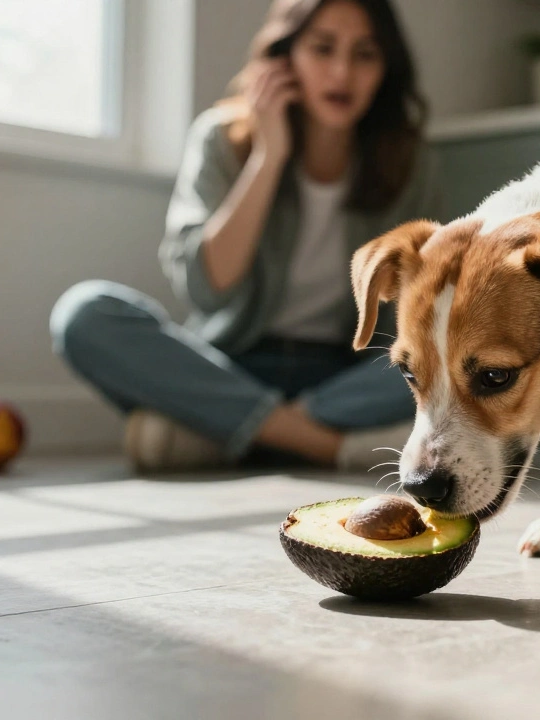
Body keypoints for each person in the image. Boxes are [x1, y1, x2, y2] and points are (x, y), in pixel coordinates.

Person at [49, 0, 439, 473]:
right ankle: (322, 445)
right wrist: (268, 157)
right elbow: (208, 290)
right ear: (284, 56)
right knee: (84, 313)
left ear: (386, 68)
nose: (342, 71)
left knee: (443, 355)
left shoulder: (407, 162)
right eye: (322, 48)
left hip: (343, 378)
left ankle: (227, 430)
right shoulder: (220, 138)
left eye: (365, 54)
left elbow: (418, 310)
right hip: (232, 365)